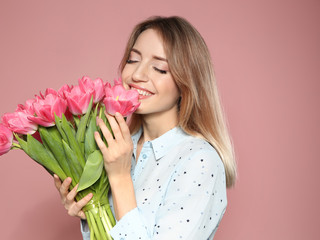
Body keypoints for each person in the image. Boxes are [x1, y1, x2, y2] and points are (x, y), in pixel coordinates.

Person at [53, 16, 237, 240]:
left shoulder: (199, 160)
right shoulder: (116, 148)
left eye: (159, 68)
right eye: (132, 60)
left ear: (187, 83)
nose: (137, 75)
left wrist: (120, 178)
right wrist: (88, 211)